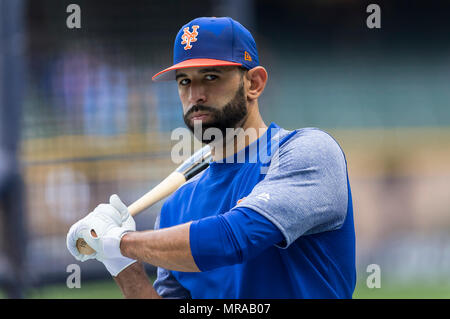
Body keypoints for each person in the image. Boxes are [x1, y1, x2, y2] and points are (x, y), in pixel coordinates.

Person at [66, 17, 356, 299]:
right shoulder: (176, 208)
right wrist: (118, 260)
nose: (195, 95)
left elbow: (233, 239)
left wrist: (121, 241)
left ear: (254, 83)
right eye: (184, 81)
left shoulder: (307, 153)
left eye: (211, 77)